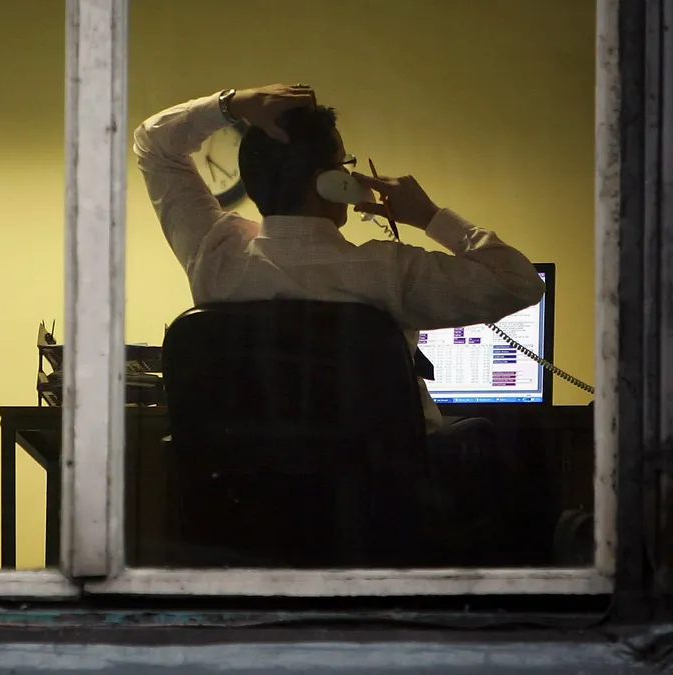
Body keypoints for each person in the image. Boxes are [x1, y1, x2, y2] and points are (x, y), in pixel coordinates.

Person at [135, 85, 549, 563]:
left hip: (257, 525)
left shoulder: (215, 259)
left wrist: (233, 104)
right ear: (330, 182)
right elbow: (519, 283)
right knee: (501, 437)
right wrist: (430, 217)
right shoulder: (386, 272)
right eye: (344, 166)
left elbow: (154, 143)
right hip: (378, 524)